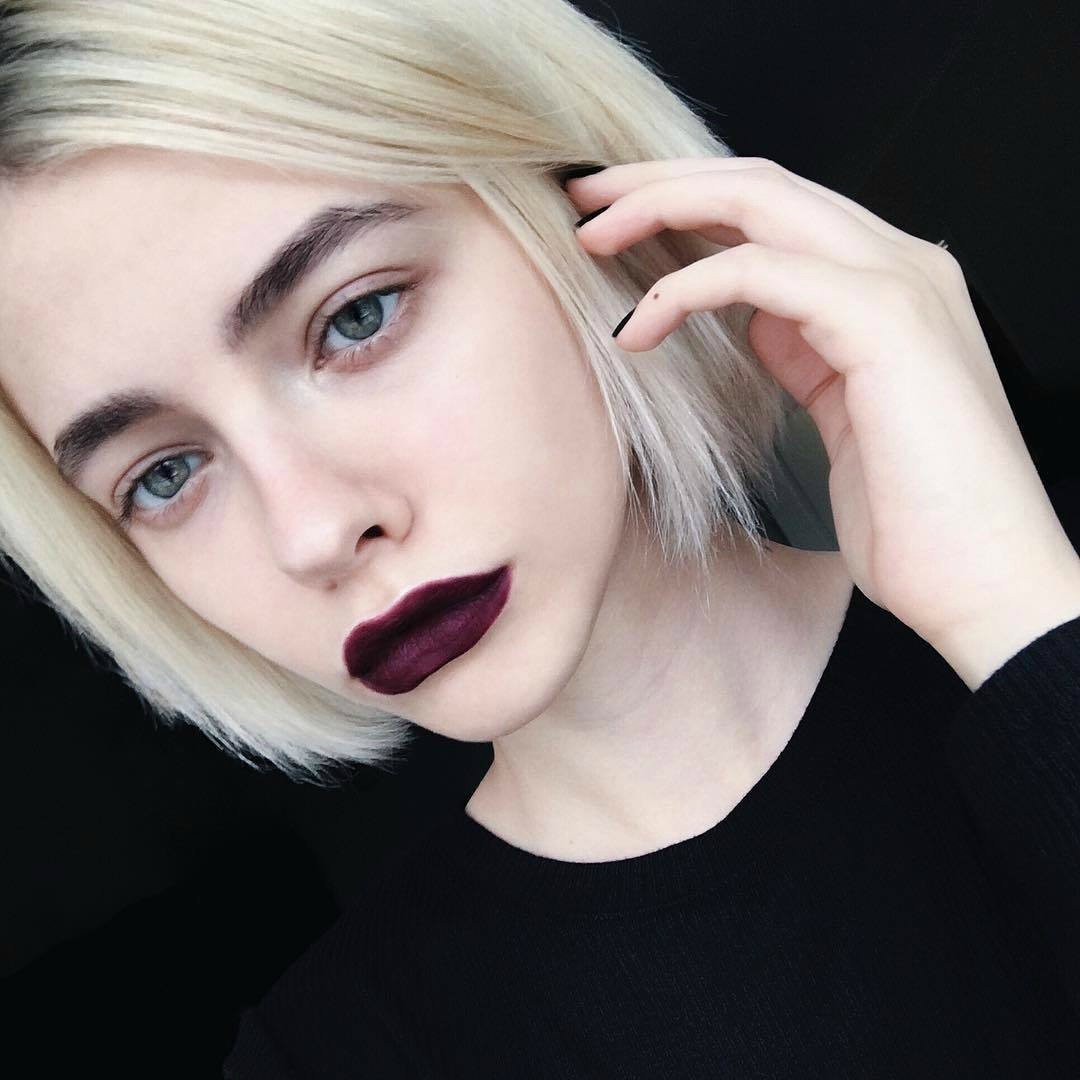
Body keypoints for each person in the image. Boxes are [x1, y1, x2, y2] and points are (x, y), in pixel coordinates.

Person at [1, 2, 1078, 1077]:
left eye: (357, 317)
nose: (315, 532)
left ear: (583, 203)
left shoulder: (1046, 604)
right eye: (165, 475)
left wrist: (1023, 626)